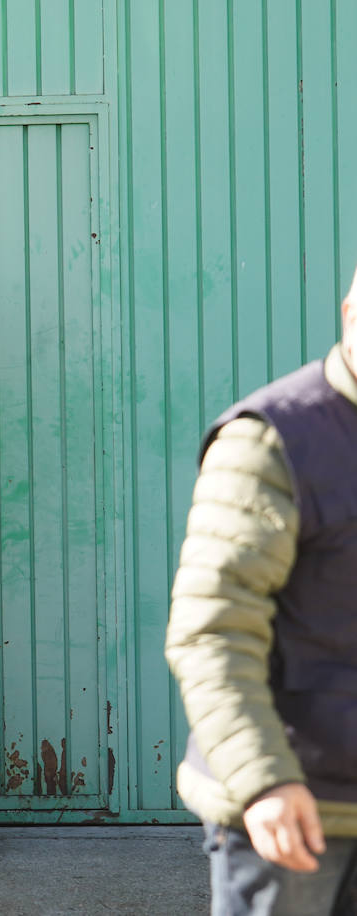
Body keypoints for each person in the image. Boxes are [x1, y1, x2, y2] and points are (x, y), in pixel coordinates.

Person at [165, 268, 357, 914]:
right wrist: (263, 780)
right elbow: (212, 629)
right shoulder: (273, 440)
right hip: (294, 808)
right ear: (349, 312)